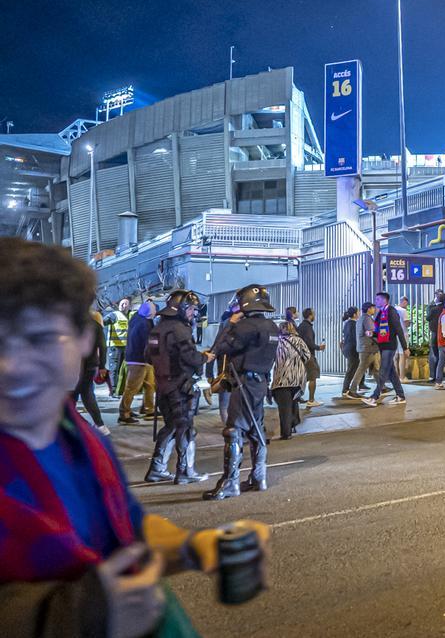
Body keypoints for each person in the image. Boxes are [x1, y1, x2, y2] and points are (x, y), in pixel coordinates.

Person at [0, 238, 270, 638]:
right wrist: (78, 615)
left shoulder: (78, 436)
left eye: (40, 338)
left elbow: (127, 526)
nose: (11, 366)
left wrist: (196, 548)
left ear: (83, 340)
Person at [204, 284, 280, 500]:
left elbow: (219, 349)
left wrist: (229, 324)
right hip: (261, 383)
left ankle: (230, 483)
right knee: (257, 430)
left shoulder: (244, 327)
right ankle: (259, 477)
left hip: (244, 383)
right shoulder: (271, 326)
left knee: (233, 431)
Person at [145, 290, 212, 485]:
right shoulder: (180, 330)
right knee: (185, 428)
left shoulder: (157, 329)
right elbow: (189, 357)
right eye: (191, 308)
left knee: (172, 426)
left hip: (163, 386)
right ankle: (185, 471)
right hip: (180, 386)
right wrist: (204, 358)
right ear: (182, 308)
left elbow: (148, 356)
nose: (193, 313)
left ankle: (157, 468)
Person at [362, 291, 407, 407]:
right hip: (383, 346)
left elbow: (399, 330)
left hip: (390, 346)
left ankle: (374, 397)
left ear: (384, 300)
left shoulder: (391, 312)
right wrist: (372, 333)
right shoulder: (381, 313)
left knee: (383, 372)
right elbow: (378, 331)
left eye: (377, 300)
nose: (375, 302)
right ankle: (401, 396)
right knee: (392, 373)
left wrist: (405, 347)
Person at [119, 300, 157, 425]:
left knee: (149, 385)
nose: (155, 313)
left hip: (140, 359)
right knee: (132, 387)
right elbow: (149, 343)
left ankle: (148, 409)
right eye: (154, 310)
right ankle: (124, 414)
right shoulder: (145, 324)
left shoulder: (137, 318)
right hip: (139, 360)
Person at [272, 321, 309, 440]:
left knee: (284, 406)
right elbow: (307, 356)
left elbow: (271, 357)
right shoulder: (299, 340)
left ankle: (286, 432)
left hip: (281, 378)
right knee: (293, 401)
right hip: (297, 377)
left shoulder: (276, 342)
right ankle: (293, 422)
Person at [74, 310, 108, 435]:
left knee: (71, 399)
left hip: (75, 365)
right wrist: (102, 365)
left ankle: (85, 427)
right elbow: (103, 346)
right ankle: (99, 425)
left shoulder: (72, 324)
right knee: (87, 394)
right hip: (91, 365)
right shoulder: (95, 325)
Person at [348, 302, 380, 396]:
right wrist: (380, 341)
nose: (374, 310)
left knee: (375, 369)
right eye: (373, 308)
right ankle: (352, 390)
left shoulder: (361, 319)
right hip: (368, 348)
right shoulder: (367, 318)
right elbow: (370, 333)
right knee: (362, 368)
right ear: (369, 309)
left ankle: (382, 387)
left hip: (366, 348)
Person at [297, 307, 326, 408]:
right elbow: (308, 342)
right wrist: (319, 347)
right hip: (308, 355)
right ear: (310, 315)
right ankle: (311, 400)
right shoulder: (307, 327)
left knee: (305, 378)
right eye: (313, 314)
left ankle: (297, 397)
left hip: (303, 355)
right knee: (313, 376)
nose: (314, 316)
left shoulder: (301, 326)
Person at [102, 296, 131, 398]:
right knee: (114, 369)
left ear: (129, 305)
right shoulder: (114, 315)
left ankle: (120, 390)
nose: (123, 306)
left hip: (125, 347)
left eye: (125, 304)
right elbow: (103, 321)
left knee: (122, 370)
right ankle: (113, 391)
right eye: (121, 304)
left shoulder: (129, 316)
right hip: (114, 347)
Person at [339, 305, 360, 398]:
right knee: (351, 370)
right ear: (355, 314)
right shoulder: (353, 324)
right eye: (358, 312)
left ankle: (348, 388)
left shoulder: (347, 323)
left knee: (352, 369)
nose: (359, 313)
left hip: (347, 349)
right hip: (352, 349)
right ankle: (345, 389)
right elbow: (355, 339)